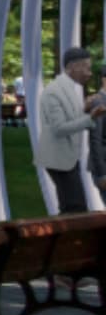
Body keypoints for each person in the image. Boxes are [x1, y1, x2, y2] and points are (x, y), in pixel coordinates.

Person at [34, 46, 106, 213]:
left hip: (67, 158)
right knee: (75, 208)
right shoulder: (54, 92)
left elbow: (69, 119)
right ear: (74, 67)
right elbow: (59, 128)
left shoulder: (68, 90)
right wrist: (90, 117)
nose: (90, 74)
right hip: (58, 158)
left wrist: (84, 109)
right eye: (87, 68)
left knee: (73, 208)